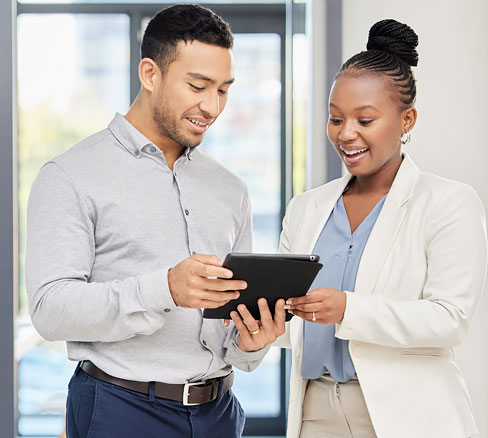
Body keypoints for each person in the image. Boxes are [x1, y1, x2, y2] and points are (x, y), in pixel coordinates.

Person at [25, 5, 286, 437]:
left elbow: (227, 324)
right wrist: (163, 288)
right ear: (150, 74)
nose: (212, 106)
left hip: (220, 413)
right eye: (198, 86)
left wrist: (249, 340)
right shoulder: (70, 176)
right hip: (120, 410)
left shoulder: (231, 188)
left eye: (223, 89)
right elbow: (50, 309)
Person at [277, 19, 487, 438]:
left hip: (407, 416)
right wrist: (258, 318)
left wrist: (348, 309)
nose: (346, 134)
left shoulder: (447, 202)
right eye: (336, 119)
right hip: (315, 411)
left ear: (406, 120)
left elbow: (449, 319)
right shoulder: (306, 208)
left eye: (364, 120)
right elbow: (291, 325)